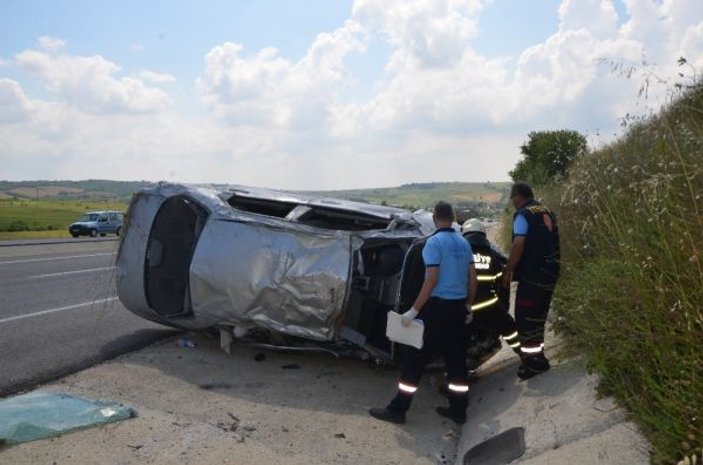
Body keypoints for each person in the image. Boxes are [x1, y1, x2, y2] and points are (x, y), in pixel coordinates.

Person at [369, 201, 477, 425]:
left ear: (436, 218)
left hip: (437, 310)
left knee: (414, 360)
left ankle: (398, 410)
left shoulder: (433, 243)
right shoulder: (463, 243)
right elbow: (472, 278)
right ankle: (459, 412)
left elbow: (431, 280)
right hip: (458, 310)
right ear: (453, 217)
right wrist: (469, 305)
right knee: (457, 362)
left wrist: (413, 311)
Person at [501, 182, 560, 380]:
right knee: (538, 317)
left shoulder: (523, 214)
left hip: (532, 274)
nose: (512, 202)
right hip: (550, 272)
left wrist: (508, 270)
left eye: (512, 198)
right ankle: (538, 357)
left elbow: (519, 244)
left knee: (525, 318)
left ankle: (534, 364)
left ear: (518, 195)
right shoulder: (546, 210)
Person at [460, 218, 521, 355]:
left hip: (465, 308)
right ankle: (524, 354)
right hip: (489, 305)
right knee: (509, 328)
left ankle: (459, 370)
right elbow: (503, 286)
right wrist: (503, 308)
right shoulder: (493, 256)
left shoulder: (459, 255)